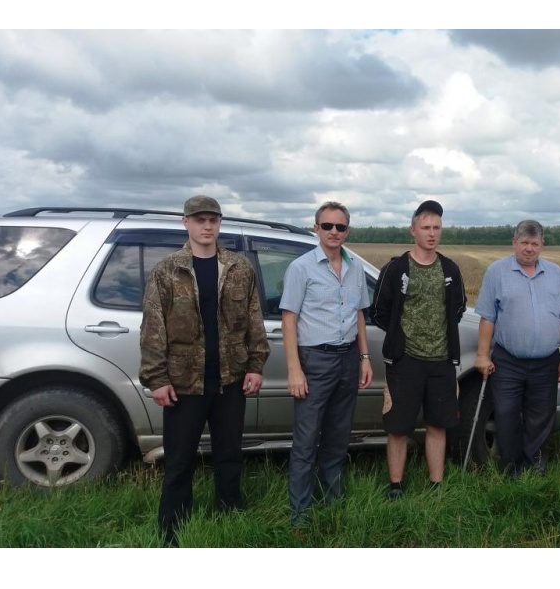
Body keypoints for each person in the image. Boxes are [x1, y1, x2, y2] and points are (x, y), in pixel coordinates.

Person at [139, 195, 270, 546]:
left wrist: (255, 366)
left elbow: (254, 321)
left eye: (213, 220)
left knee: (229, 454)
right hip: (184, 383)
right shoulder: (168, 270)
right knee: (179, 460)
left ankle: (230, 515)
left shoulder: (239, 268)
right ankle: (172, 529)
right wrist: (157, 379)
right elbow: (152, 328)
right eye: (200, 220)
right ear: (186, 223)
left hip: (231, 380)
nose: (207, 226)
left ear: (220, 222)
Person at [280, 201, 373, 525]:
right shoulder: (301, 268)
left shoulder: (355, 268)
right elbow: (288, 320)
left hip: (347, 359)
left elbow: (359, 315)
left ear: (347, 231)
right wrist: (295, 369)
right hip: (315, 360)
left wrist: (364, 358)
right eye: (328, 226)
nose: (334, 232)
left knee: (338, 435)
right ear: (316, 228)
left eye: (340, 226)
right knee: (306, 440)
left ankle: (331, 500)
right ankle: (300, 513)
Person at [370, 200, 466, 500]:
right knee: (398, 427)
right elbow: (379, 311)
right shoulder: (396, 268)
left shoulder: (450, 269)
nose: (432, 233)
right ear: (413, 230)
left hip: (441, 361)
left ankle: (436, 485)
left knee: (438, 425)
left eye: (437, 227)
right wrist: (401, 338)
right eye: (426, 227)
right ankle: (395, 486)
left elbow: (458, 308)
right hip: (405, 362)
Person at [473, 220, 560, 477]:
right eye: (524, 242)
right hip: (508, 360)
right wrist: (482, 355)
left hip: (546, 360)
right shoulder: (497, 272)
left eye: (534, 243)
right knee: (506, 413)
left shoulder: (557, 274)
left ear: (542, 245)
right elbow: (487, 317)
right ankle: (511, 467)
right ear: (514, 242)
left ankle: (533, 465)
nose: (529, 248)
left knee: (541, 415)